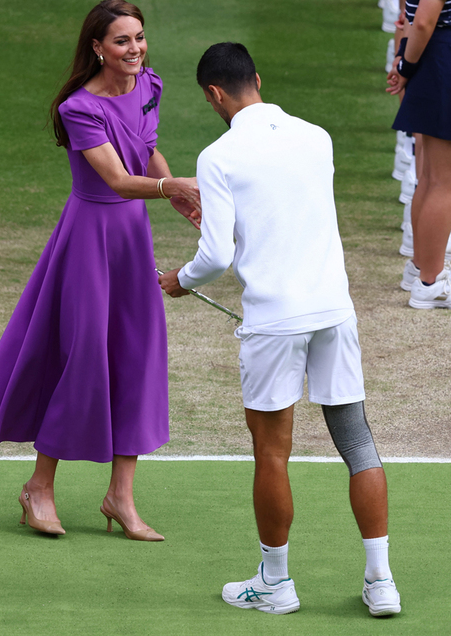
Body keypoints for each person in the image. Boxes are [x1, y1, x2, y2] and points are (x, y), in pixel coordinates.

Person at [159, 43, 401, 617]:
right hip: (333, 311)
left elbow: (215, 256)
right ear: (258, 80)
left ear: (214, 94)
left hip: (274, 323)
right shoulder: (317, 136)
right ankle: (381, 582)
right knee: (359, 444)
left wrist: (179, 279)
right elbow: (293, 212)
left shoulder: (218, 157)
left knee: (272, 453)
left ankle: (276, 583)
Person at [0, 0, 200, 540]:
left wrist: (174, 194)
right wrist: (173, 186)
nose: (135, 48)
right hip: (89, 242)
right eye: (122, 41)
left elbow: (148, 150)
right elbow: (117, 180)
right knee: (82, 359)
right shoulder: (78, 108)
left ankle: (121, 496)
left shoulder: (149, 84)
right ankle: (39, 488)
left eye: (140, 37)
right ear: (97, 48)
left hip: (132, 239)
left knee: (136, 357)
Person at [388, 0, 451, 307]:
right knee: (442, 182)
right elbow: (424, 22)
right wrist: (407, 67)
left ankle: (419, 269)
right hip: (439, 64)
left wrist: (405, 65)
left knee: (429, 178)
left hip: (431, 64)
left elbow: (416, 21)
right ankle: (430, 284)